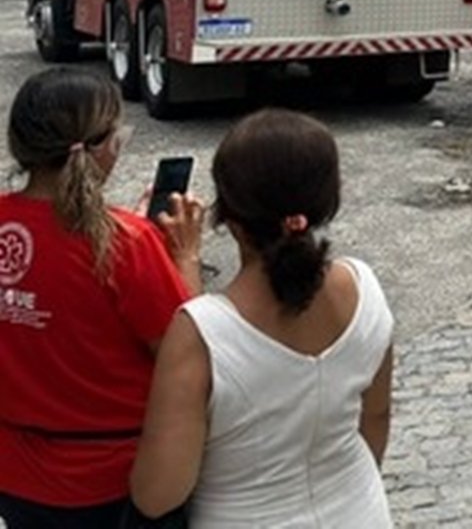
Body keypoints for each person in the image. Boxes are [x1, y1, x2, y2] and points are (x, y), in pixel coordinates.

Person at [130, 109, 395, 528]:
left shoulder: (197, 334)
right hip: (358, 510)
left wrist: (184, 263)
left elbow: (159, 493)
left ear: (227, 217)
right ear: (329, 201)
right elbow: (375, 418)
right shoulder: (365, 287)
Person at [0, 67, 203, 529]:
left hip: (15, 474)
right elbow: (186, 358)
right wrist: (186, 257)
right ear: (101, 148)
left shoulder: (119, 238)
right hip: (116, 482)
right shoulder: (127, 243)